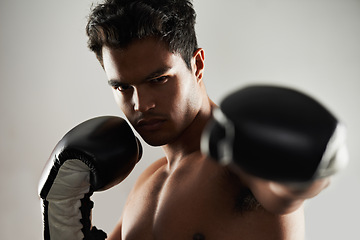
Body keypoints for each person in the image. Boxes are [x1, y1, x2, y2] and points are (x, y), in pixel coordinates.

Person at [79, 0, 338, 239]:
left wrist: (310, 165)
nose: (141, 104)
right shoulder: (148, 183)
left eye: (158, 80)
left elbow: (283, 192)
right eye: (122, 88)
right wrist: (65, 206)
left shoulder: (234, 161)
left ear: (198, 65)